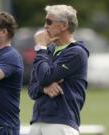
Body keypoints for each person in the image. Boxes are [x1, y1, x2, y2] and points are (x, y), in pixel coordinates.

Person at [28, 5, 89, 135]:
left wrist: (41, 48)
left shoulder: (76, 52)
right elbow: (32, 88)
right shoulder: (47, 51)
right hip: (37, 121)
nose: (45, 26)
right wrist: (43, 88)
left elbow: (44, 77)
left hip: (61, 124)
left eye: (49, 21)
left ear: (64, 25)